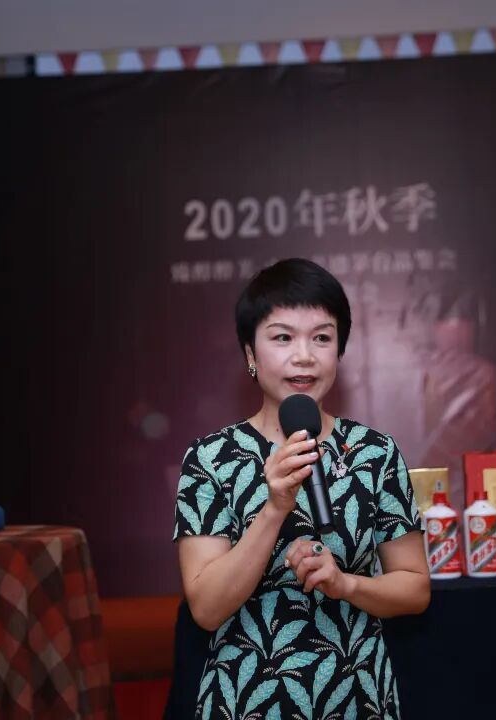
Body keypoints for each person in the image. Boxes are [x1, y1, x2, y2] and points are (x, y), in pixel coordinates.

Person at [172, 258, 430, 720]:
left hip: (357, 696)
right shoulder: (210, 459)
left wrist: (346, 584)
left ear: (340, 351)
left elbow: (414, 589)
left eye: (322, 338)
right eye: (283, 337)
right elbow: (206, 609)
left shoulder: (374, 452)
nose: (304, 356)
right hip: (247, 699)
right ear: (250, 353)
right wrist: (275, 507)